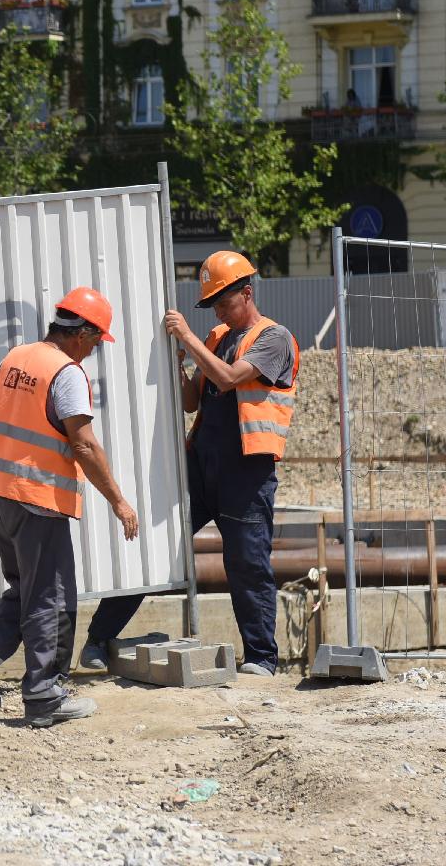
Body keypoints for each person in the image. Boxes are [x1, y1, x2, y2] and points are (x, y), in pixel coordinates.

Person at [80, 251, 298, 677]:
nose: (217, 310)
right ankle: (98, 640)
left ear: (247, 293)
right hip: (202, 464)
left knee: (247, 564)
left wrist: (187, 340)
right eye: (212, 303)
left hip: (246, 472)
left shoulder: (275, 338)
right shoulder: (217, 336)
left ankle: (260, 659)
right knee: (154, 544)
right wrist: (179, 369)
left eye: (223, 301)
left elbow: (229, 378)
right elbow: (193, 400)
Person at [0, 287, 141, 726]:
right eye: (96, 340)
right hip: (36, 500)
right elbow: (84, 445)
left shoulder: (17, 357)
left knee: (26, 589)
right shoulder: (66, 372)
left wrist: (11, 469)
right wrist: (119, 501)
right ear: (83, 333)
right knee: (51, 597)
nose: (95, 349)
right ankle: (44, 695)